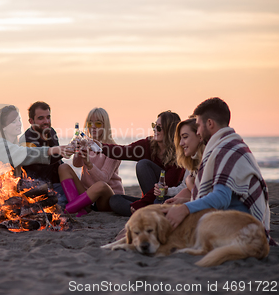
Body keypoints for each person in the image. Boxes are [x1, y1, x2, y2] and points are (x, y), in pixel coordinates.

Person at [164, 98, 271, 241]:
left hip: (239, 230)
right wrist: (185, 202)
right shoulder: (232, 144)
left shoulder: (224, 149)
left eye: (198, 126)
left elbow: (222, 198)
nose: (198, 132)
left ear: (209, 123)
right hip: (237, 223)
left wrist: (185, 209)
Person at [0, 105, 72, 209]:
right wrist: (54, 150)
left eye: (19, 120)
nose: (18, 124)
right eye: (13, 122)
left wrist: (64, 152)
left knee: (40, 190)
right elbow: (28, 154)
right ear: (3, 127)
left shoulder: (14, 145)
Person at [102, 111, 185, 216]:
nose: (155, 130)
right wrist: (99, 146)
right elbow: (122, 151)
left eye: (159, 128)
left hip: (166, 199)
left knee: (143, 164)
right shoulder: (148, 145)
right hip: (149, 200)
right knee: (115, 200)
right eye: (154, 126)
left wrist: (141, 203)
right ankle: (148, 211)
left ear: (170, 131)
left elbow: (165, 186)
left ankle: (148, 210)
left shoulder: (179, 155)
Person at [58, 108, 123, 215]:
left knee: (100, 185)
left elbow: (103, 179)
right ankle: (80, 209)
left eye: (97, 123)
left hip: (106, 199)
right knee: (63, 167)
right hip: (87, 195)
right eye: (89, 123)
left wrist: (89, 164)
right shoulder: (88, 144)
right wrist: (78, 150)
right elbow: (76, 164)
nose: (92, 126)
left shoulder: (113, 149)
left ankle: (69, 209)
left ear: (105, 126)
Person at [19, 102, 65, 202]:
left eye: (48, 117)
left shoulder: (51, 132)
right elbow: (41, 162)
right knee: (62, 201)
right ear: (31, 121)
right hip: (36, 189)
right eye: (41, 118)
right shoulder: (26, 140)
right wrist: (64, 151)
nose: (46, 121)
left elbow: (57, 163)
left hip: (54, 183)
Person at [159, 118, 205, 204]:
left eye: (185, 137)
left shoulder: (209, 162)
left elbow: (212, 199)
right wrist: (167, 191)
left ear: (199, 136)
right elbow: (185, 188)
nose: (181, 143)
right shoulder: (193, 161)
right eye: (180, 138)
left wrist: (189, 183)